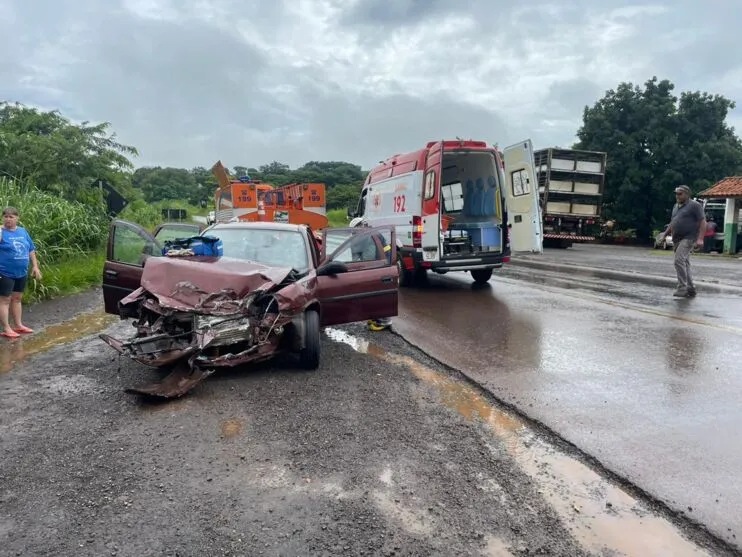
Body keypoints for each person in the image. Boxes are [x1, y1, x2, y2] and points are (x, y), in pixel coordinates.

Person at [0, 206, 42, 338]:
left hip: (21, 272)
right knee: (4, 300)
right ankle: (6, 328)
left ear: (17, 218)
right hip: (5, 272)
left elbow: (31, 249)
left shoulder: (23, 232)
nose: (8, 219)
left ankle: (18, 325)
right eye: (5, 216)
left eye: (11, 217)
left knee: (17, 298)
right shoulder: (1, 232)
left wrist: (35, 266)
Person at [665, 186, 705, 297]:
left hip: (689, 237)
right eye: (676, 193)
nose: (677, 196)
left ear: (687, 194)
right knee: (685, 263)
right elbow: (673, 222)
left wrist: (700, 238)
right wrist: (665, 234)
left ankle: (682, 288)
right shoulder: (675, 206)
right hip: (677, 238)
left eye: (680, 193)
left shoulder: (694, 205)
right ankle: (691, 288)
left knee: (678, 260)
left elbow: (702, 222)